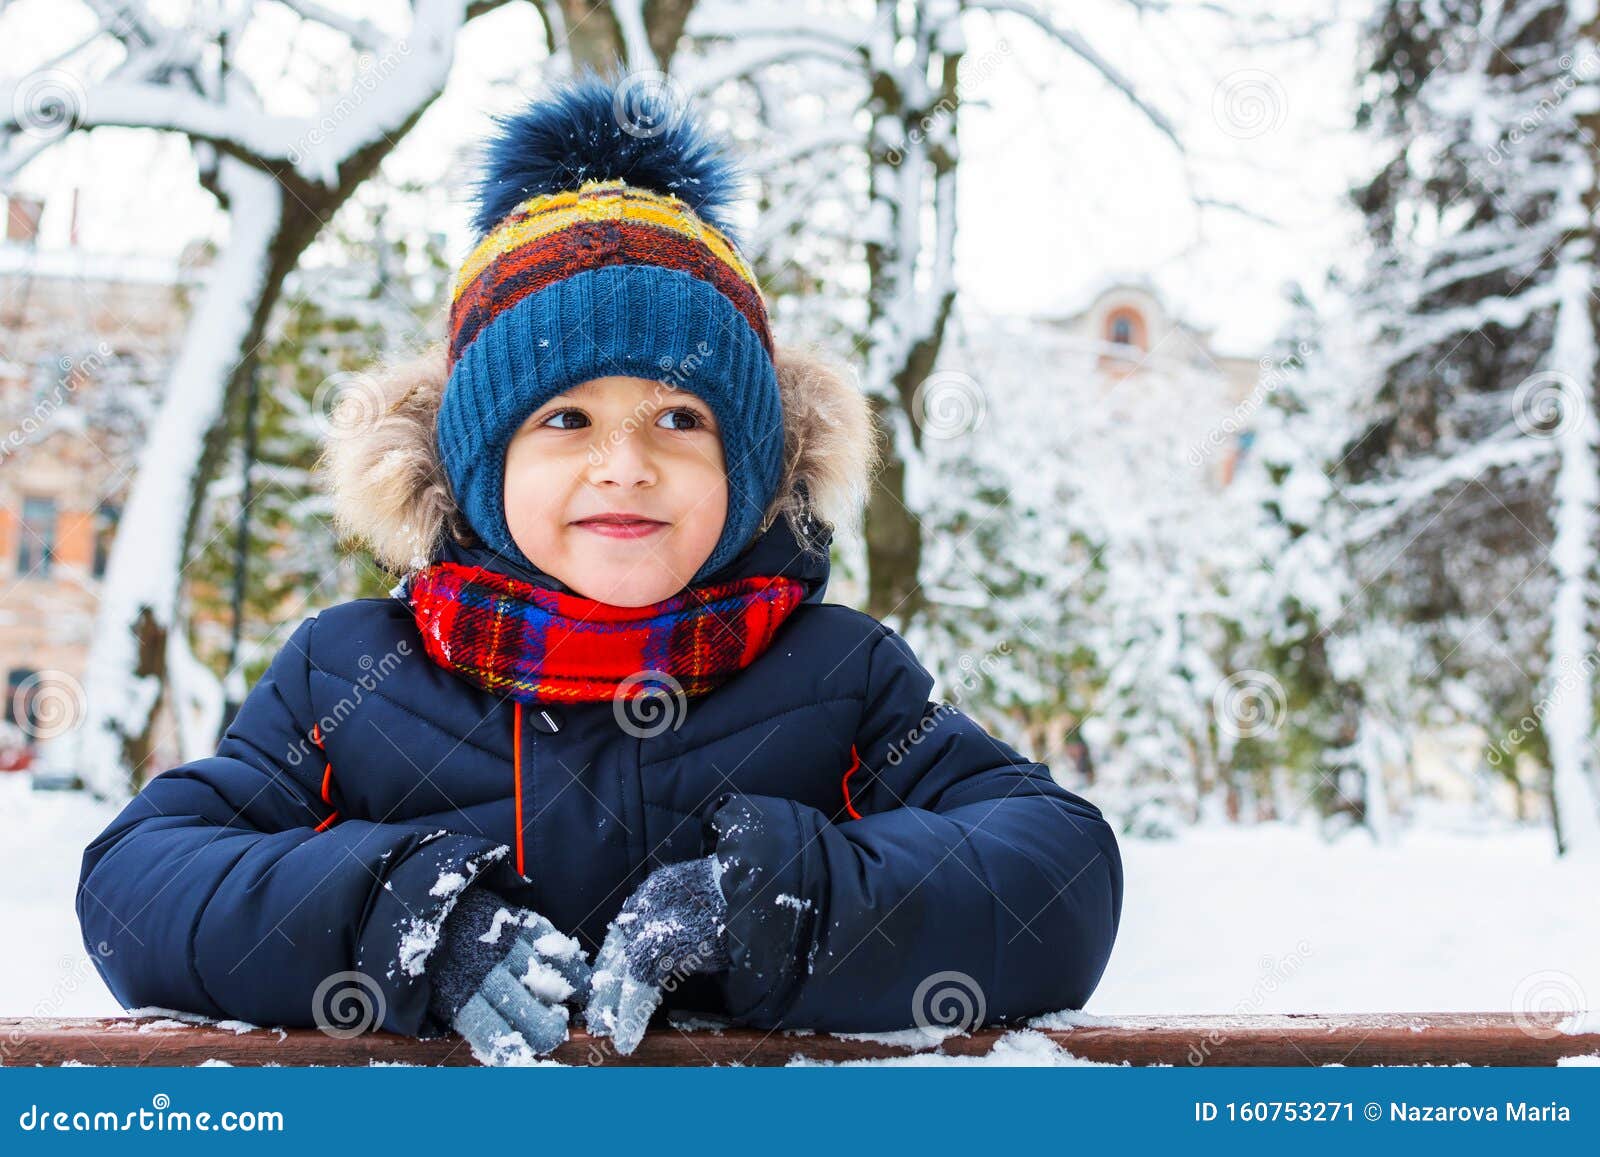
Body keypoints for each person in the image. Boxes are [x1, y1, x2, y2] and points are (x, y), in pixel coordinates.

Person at [76, 73, 1123, 1066]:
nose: (625, 463)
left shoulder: (837, 675)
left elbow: (1058, 878)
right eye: (565, 417)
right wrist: (395, 914)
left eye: (679, 417)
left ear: (748, 465)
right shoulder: (349, 674)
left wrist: (775, 904)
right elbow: (139, 885)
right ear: (480, 468)